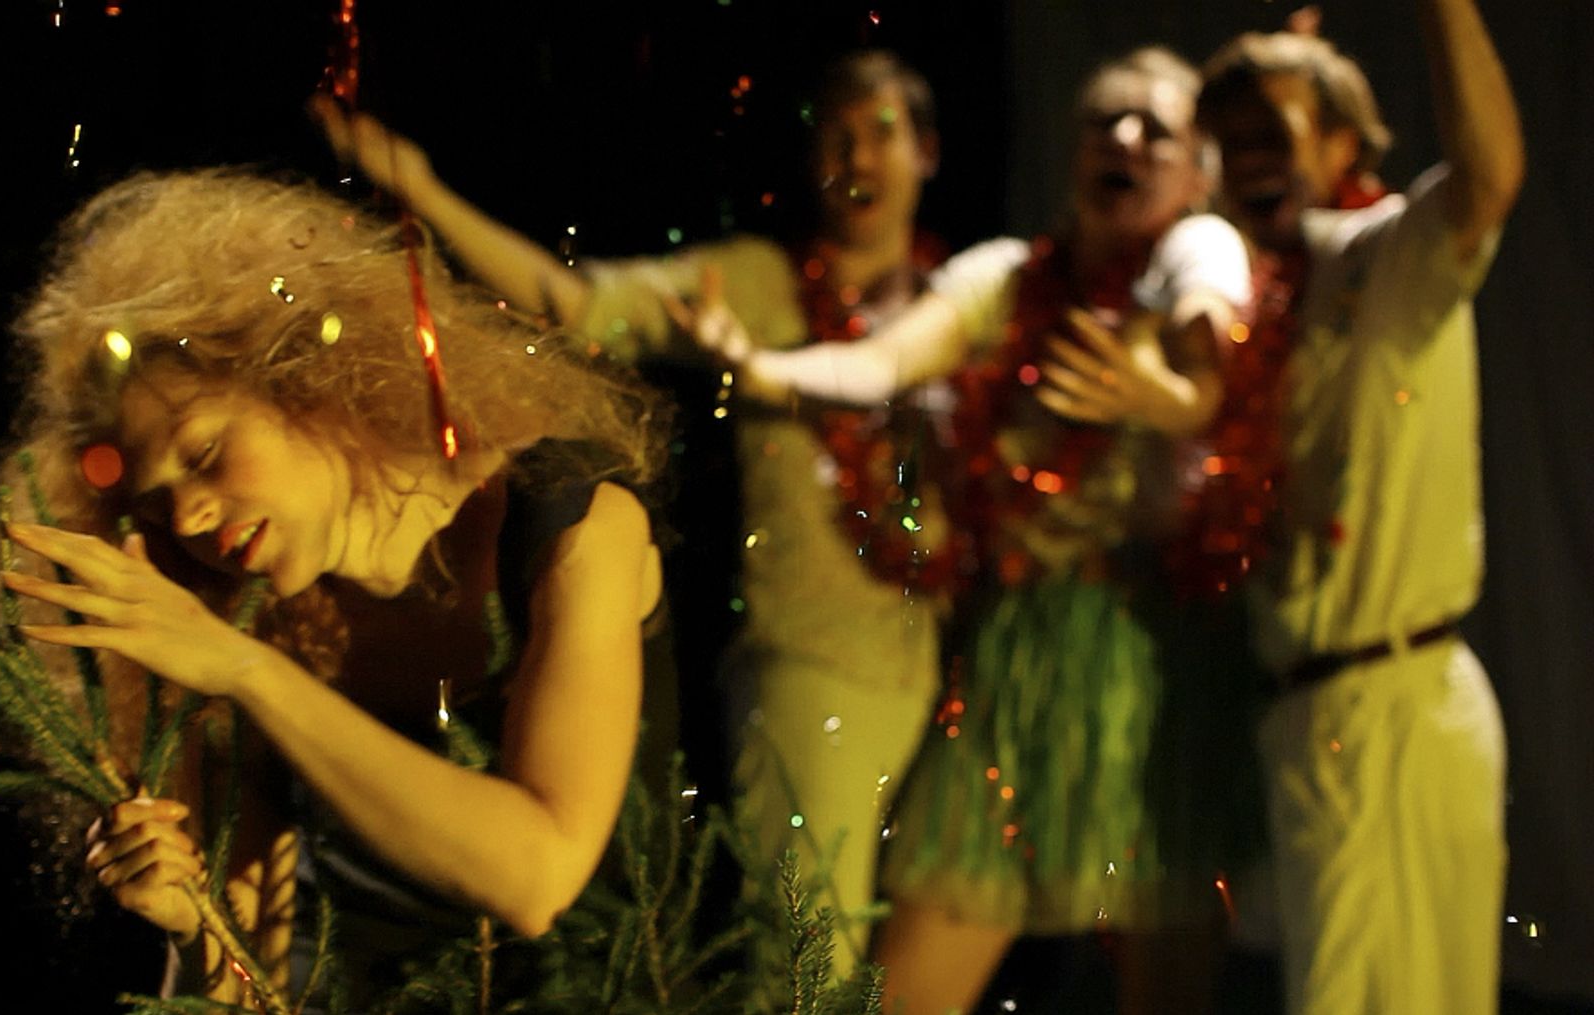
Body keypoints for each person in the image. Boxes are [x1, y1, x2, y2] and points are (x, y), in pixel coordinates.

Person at [312, 50, 950, 968]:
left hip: (943, 662)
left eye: (881, 132)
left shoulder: (961, 300)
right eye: (836, 137)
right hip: (814, 665)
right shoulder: (758, 283)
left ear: (928, 151)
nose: (857, 158)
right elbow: (575, 302)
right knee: (813, 961)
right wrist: (424, 192)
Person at [0, 168, 669, 1001]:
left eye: (204, 453)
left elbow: (537, 877)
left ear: (309, 380)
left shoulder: (570, 517)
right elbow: (243, 988)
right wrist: (191, 922)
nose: (191, 517)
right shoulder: (249, 615)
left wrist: (246, 669)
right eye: (157, 505)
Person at [724, 47, 1253, 1015]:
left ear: (1197, 170)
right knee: (901, 991)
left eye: (1154, 128)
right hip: (1015, 658)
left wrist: (1172, 397)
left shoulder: (1198, 247)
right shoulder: (1005, 276)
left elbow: (1208, 334)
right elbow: (881, 364)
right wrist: (766, 367)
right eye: (1102, 121)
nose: (1123, 139)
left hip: (1156, 665)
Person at [1196, 2, 1523, 1011]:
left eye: (1274, 129)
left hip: (1399, 711)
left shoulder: (1380, 258)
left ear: (1345, 145)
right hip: (1311, 720)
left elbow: (1488, 181)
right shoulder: (1251, 309)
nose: (1250, 156)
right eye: (1230, 139)